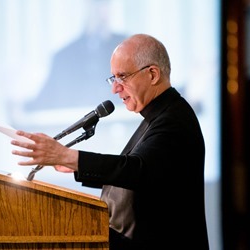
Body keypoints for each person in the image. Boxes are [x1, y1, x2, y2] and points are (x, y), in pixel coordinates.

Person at [11, 34, 209, 249]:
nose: (115, 89)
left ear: (152, 74)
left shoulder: (173, 119)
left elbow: (137, 171)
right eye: (113, 78)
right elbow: (142, 174)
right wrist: (69, 164)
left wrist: (68, 156)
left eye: (122, 77)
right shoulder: (158, 116)